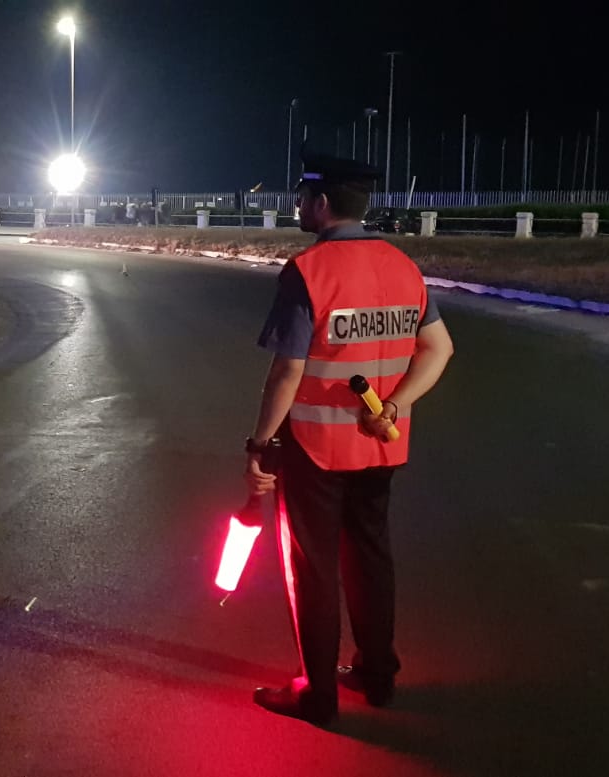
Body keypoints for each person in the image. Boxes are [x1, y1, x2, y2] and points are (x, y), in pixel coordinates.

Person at [244, 147, 455, 728]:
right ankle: (377, 674)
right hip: (381, 443)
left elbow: (287, 371)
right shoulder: (402, 266)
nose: (297, 205)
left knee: (313, 567)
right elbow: (440, 349)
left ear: (321, 202)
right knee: (370, 555)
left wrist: (260, 444)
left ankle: (317, 694)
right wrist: (393, 405)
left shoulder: (307, 272)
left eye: (301, 197)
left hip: (315, 450)